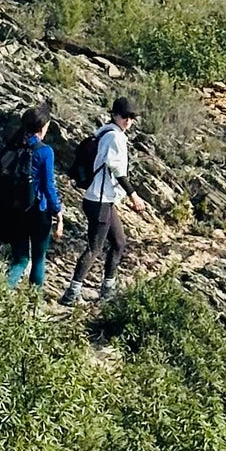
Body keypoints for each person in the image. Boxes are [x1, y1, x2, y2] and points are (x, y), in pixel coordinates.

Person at [62, 95, 140, 305]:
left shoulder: (105, 132)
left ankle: (107, 287)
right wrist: (133, 194)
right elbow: (116, 169)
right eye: (125, 116)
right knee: (95, 247)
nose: (128, 121)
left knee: (119, 242)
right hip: (100, 200)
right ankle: (72, 292)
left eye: (131, 117)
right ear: (115, 115)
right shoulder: (114, 137)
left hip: (100, 199)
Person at [0, 106, 63, 292]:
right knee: (39, 258)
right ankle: (33, 304)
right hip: (38, 211)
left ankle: (1, 293)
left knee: (20, 259)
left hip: (14, 210)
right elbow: (49, 186)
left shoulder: (12, 147)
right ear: (43, 127)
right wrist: (57, 211)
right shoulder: (45, 151)